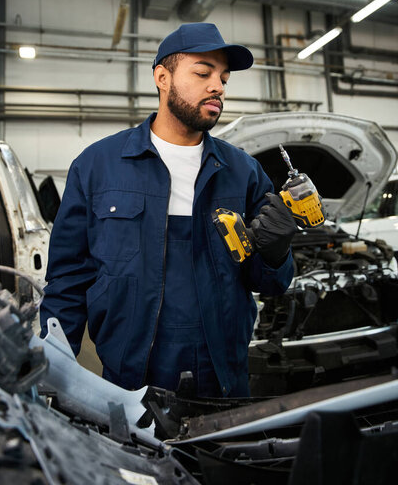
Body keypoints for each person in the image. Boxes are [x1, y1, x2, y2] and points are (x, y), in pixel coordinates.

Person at [40, 22, 296, 397]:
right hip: (129, 377)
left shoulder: (243, 172)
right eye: (203, 72)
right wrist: (53, 368)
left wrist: (276, 253)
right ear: (162, 77)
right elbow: (69, 278)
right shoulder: (98, 166)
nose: (218, 87)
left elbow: (269, 283)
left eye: (224, 78)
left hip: (224, 375)